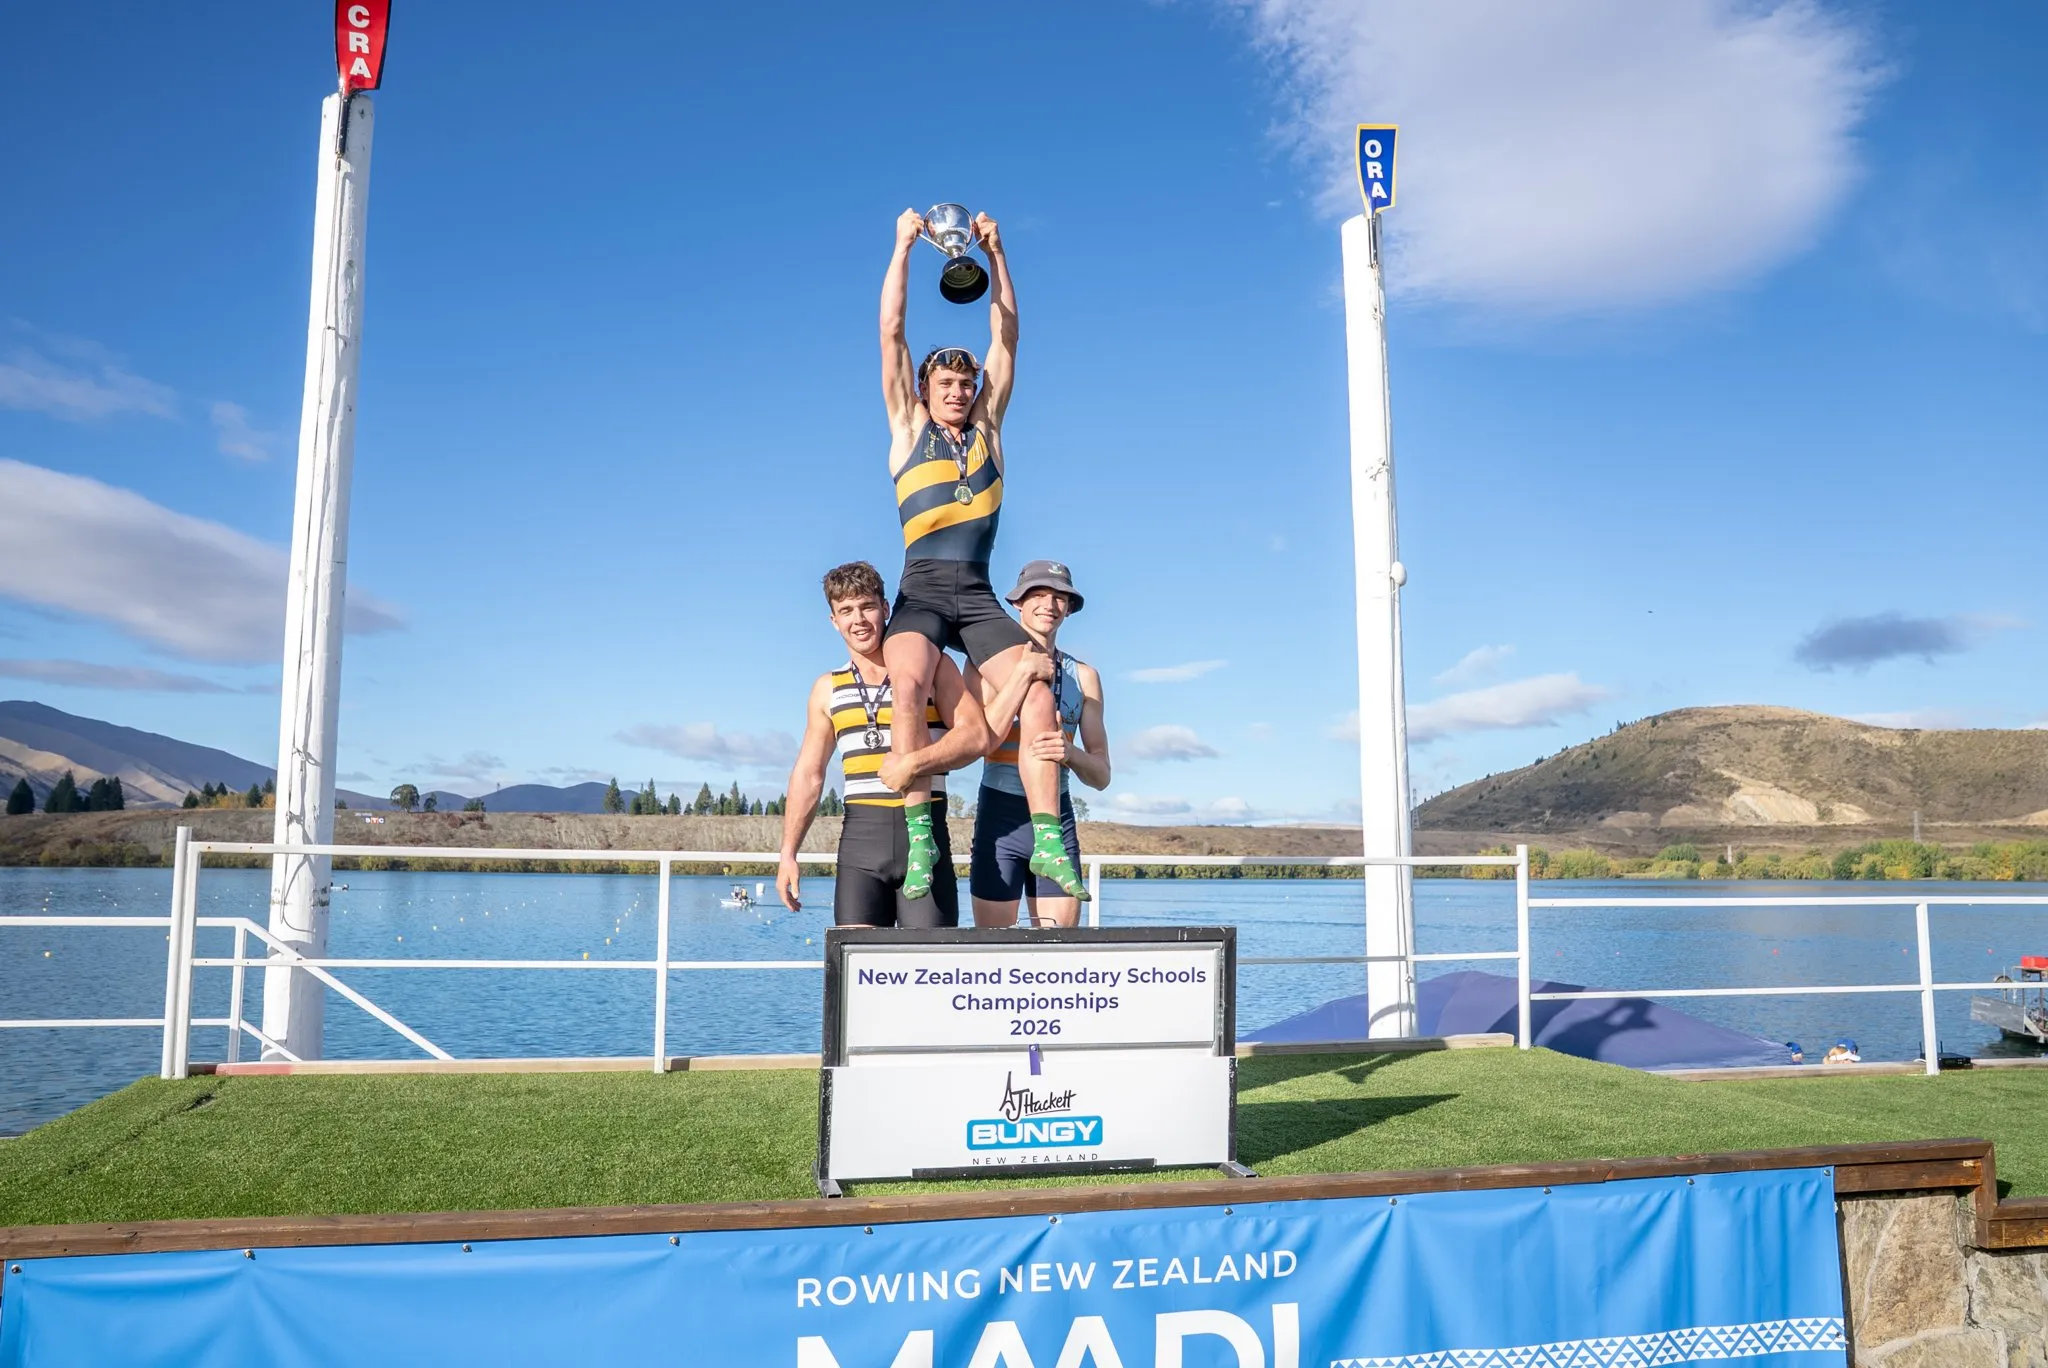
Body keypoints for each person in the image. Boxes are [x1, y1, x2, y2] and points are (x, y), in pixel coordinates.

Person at [877, 207, 1085, 904]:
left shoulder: (989, 432)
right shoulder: (908, 429)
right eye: (947, 383)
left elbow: (1008, 333)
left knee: (1035, 681)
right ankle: (920, 833)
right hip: (920, 590)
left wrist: (997, 254)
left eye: (967, 383)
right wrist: (905, 246)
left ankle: (1050, 834)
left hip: (975, 590)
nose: (960, 390)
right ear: (925, 390)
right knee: (906, 682)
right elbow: (892, 331)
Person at [776, 561, 993, 927]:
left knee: (930, 975)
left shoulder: (931, 667)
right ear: (833, 620)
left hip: (926, 839)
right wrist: (788, 853)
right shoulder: (826, 688)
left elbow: (977, 736)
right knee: (856, 976)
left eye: (867, 606)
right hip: (861, 844)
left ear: (886, 608)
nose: (858, 619)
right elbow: (809, 775)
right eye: (846, 611)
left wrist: (915, 763)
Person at [969, 560, 1110, 928]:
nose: (1049, 603)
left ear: (1069, 607)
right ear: (1017, 602)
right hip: (1000, 820)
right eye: (1038, 594)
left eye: (1059, 596)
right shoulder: (981, 666)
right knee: (993, 954)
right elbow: (979, 742)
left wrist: (1070, 753)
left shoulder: (1085, 678)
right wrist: (1021, 680)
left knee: (1058, 956)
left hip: (1056, 818)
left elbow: (1101, 776)